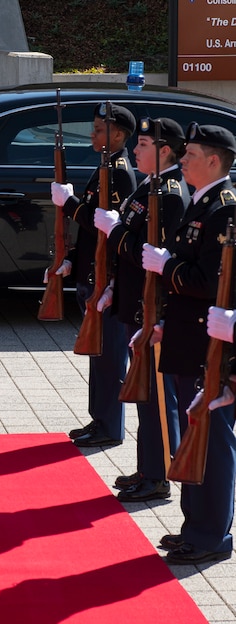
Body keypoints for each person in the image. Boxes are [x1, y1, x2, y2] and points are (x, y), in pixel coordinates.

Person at [142, 123, 236, 565]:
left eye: (191, 153)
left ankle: (213, 534)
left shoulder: (224, 210)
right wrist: (164, 320)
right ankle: (194, 526)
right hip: (187, 337)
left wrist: (166, 266)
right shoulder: (200, 202)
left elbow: (209, 282)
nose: (181, 159)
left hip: (208, 346)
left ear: (213, 160)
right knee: (193, 438)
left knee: (212, 442)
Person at [94, 117, 188, 501]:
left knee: (158, 397)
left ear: (165, 151)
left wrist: (115, 232)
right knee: (146, 394)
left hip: (154, 311)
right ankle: (148, 468)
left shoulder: (169, 194)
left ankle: (160, 474)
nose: (135, 149)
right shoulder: (150, 187)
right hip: (136, 307)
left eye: (144, 144)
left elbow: (155, 259)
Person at [50, 103, 137, 446]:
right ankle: (98, 419)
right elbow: (91, 234)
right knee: (98, 354)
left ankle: (110, 426)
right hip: (92, 275)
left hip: (108, 281)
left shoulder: (119, 172)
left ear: (118, 135)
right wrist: (71, 259)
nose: (93, 134)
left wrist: (70, 205)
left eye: (100, 129)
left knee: (110, 356)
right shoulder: (104, 166)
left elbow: (107, 227)